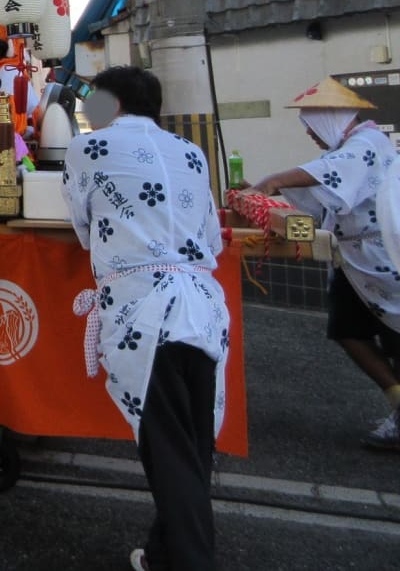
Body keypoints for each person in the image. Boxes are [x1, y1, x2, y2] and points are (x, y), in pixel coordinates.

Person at [62, 66, 229, 571]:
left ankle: (191, 562)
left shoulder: (87, 148)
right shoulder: (192, 152)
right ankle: (164, 553)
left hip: (144, 313)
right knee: (191, 445)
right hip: (203, 305)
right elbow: (211, 235)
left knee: (169, 452)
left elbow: (83, 228)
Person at [249, 77, 400, 451]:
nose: (312, 136)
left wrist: (275, 180)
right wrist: (267, 192)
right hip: (354, 262)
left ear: (330, 120)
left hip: (386, 257)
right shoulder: (346, 148)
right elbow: (320, 182)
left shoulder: (368, 143)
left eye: (313, 128)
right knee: (346, 328)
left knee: (395, 337)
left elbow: (328, 172)